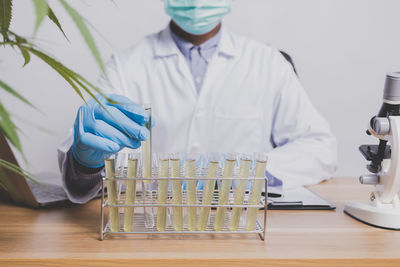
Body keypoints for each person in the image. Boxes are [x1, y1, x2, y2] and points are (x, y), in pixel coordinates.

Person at [58, 0, 337, 204]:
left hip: (242, 223)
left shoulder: (269, 63)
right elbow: (94, 166)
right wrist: (84, 164)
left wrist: (248, 170)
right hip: (154, 224)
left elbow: (320, 148)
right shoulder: (125, 66)